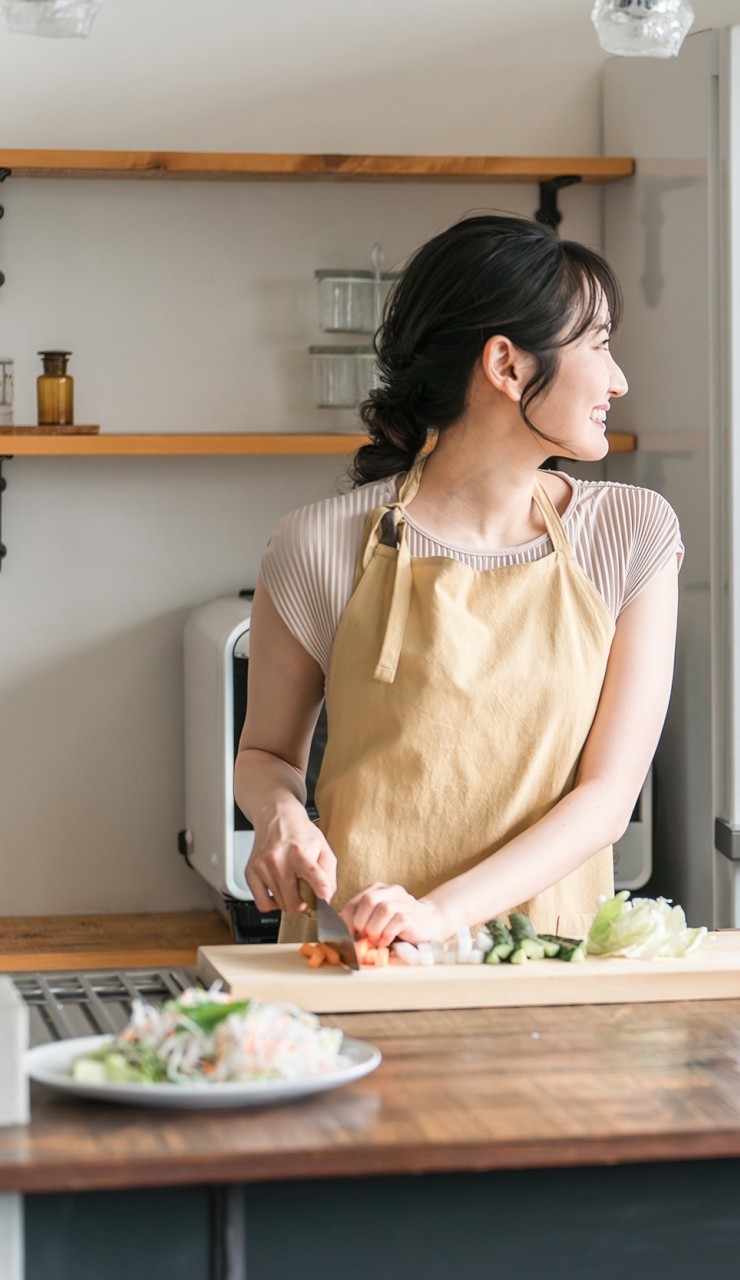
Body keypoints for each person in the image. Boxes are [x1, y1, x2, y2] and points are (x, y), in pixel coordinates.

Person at [235, 214, 681, 947]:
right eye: (598, 345)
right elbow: (266, 758)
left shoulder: (631, 536)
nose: (619, 379)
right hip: (360, 964)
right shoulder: (317, 544)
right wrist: (281, 818)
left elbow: (606, 800)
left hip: (548, 971)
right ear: (506, 366)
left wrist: (440, 915)